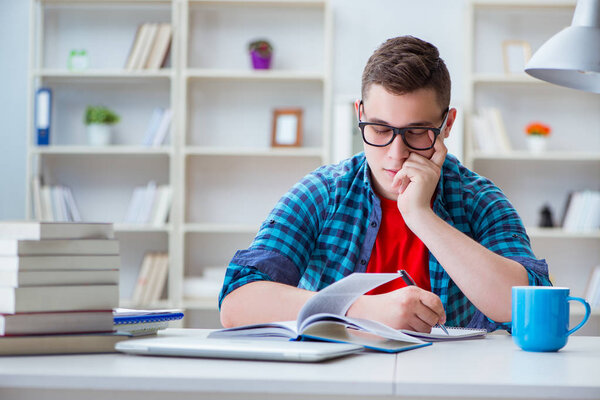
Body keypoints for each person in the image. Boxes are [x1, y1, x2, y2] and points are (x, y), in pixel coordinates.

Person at [218, 36, 551, 332]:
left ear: (447, 124)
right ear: (358, 114)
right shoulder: (322, 193)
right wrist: (362, 309)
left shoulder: (480, 200)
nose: (396, 154)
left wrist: (421, 215)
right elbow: (238, 302)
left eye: (417, 132)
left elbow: (528, 307)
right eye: (379, 129)